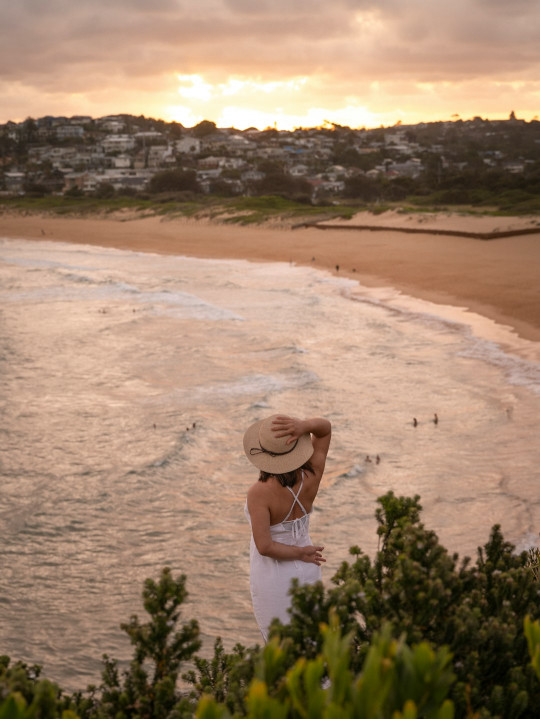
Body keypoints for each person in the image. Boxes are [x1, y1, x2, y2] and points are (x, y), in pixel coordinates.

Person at [243, 413, 332, 642]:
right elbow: (325, 429)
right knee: (312, 639)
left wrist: (300, 553)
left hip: (275, 576)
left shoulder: (259, 493)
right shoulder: (312, 474)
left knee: (282, 646)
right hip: (309, 569)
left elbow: (265, 546)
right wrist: (304, 426)